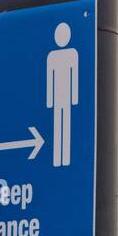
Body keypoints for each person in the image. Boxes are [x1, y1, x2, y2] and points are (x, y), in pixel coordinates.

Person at [46, 22, 78, 167]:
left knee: (66, 126)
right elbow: (49, 79)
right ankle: (57, 159)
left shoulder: (73, 54)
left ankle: (64, 159)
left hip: (66, 97)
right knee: (58, 125)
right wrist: (49, 101)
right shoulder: (52, 56)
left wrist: (75, 98)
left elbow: (74, 77)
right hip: (57, 97)